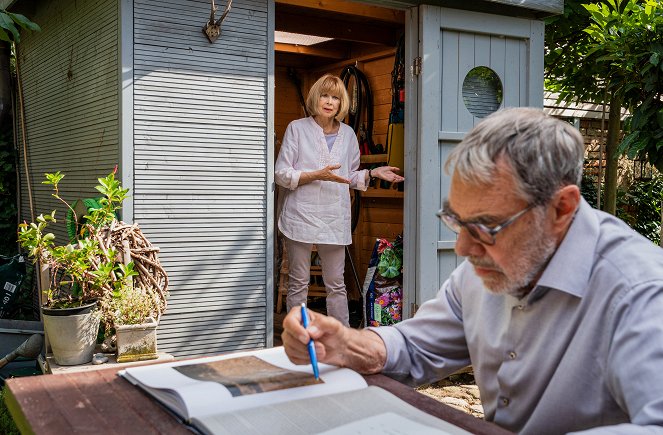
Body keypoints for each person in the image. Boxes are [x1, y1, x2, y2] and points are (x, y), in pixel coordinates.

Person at [282, 107, 663, 434]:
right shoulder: (487, 268)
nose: (463, 248)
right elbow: (417, 346)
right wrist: (348, 344)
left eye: (485, 228)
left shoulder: (641, 292)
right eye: (456, 221)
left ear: (562, 209)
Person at [275, 74, 404, 326]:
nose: (329, 101)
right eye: (324, 95)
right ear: (316, 98)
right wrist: (315, 175)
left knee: (336, 284)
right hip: (300, 214)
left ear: (342, 103)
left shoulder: (348, 134)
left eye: (335, 97)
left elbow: (350, 175)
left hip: (334, 215)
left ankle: (342, 340)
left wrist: (372, 172)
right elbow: (281, 174)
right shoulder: (297, 128)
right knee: (298, 282)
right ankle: (299, 339)